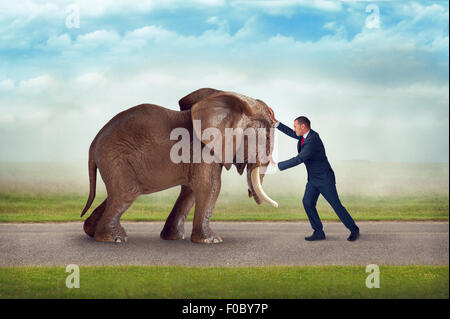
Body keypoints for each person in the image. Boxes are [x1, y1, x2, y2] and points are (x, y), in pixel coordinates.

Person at [267, 107, 360, 241]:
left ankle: (354, 229)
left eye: (295, 126)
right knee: (307, 202)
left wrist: (276, 165)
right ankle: (318, 232)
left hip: (324, 179)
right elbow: (291, 133)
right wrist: (275, 121)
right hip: (313, 180)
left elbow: (299, 158)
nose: (294, 129)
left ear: (303, 127)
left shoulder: (312, 140)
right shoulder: (305, 135)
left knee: (336, 206)